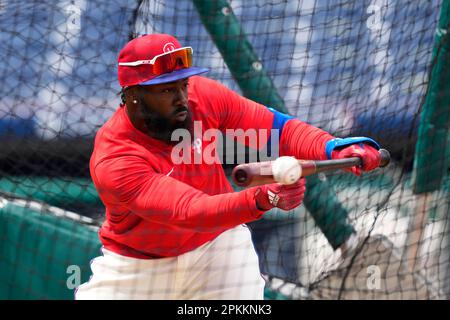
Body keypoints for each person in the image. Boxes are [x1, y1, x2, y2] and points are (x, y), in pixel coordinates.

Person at [75, 34, 382, 300]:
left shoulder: (202, 98)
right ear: (132, 96)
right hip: (138, 267)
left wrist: (334, 147)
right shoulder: (115, 157)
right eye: (167, 90)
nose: (182, 99)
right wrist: (265, 198)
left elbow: (278, 129)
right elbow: (190, 211)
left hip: (218, 252)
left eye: (183, 84)